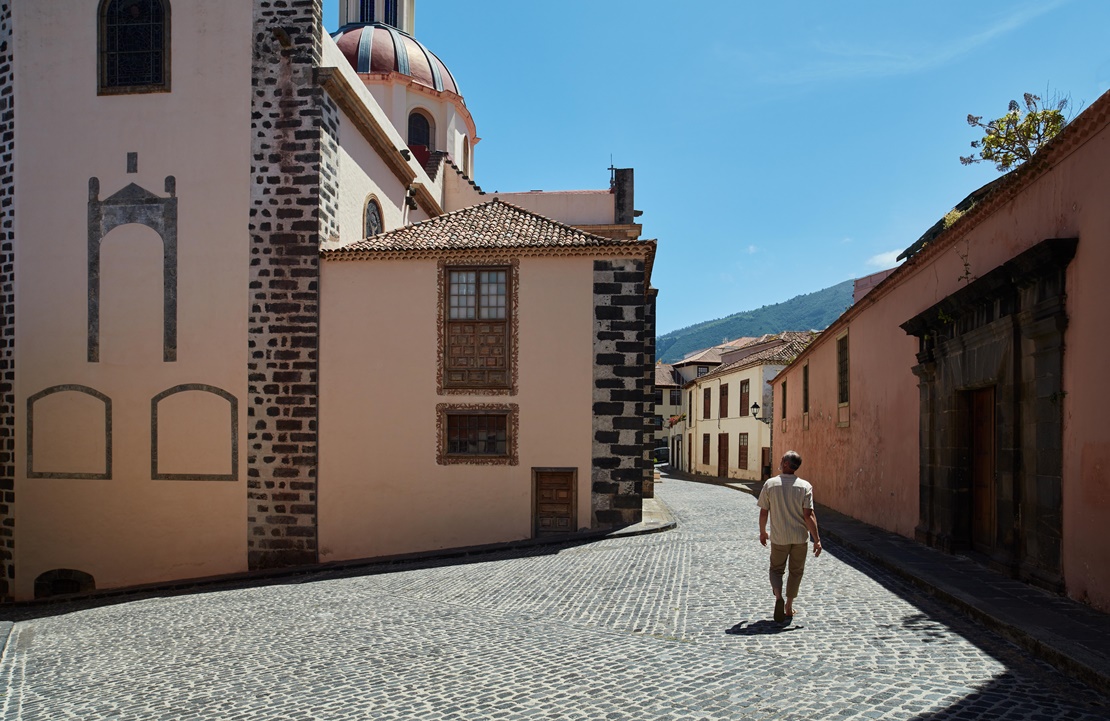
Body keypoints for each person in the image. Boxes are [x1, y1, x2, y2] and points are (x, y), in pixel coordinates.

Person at [757, 450, 822, 622]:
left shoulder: (770, 484)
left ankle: (778, 597)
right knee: (796, 572)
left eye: (781, 459)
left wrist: (763, 531)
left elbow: (764, 512)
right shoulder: (805, 486)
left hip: (779, 537)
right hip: (800, 537)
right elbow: (809, 515)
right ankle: (789, 606)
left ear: (786, 464)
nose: (779, 461)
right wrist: (817, 540)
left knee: (776, 569)